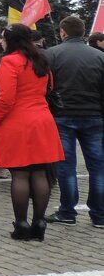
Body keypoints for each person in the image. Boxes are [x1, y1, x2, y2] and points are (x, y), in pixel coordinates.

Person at [0, 23, 66, 240]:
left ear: (11, 40)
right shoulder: (41, 59)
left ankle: (22, 225)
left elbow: (6, 98)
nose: (2, 42)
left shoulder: (10, 61)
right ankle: (40, 223)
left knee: (21, 174)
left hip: (19, 121)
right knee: (41, 173)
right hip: (42, 119)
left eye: (4, 38)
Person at [44, 15, 104, 228]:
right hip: (95, 116)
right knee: (98, 166)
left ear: (63, 32)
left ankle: (67, 211)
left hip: (62, 116)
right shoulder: (99, 56)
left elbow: (45, 87)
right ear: (83, 31)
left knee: (66, 166)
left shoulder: (51, 54)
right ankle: (100, 215)